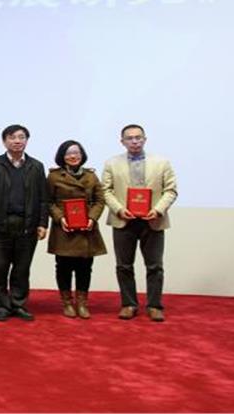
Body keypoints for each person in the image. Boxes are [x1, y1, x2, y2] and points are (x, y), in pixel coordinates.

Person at [101, 124, 177, 322]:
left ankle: (154, 305)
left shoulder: (162, 163)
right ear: (122, 142)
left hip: (153, 220)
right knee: (124, 266)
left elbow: (171, 190)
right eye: (129, 138)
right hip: (123, 220)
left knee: (155, 266)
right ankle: (128, 304)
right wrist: (119, 209)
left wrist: (158, 210)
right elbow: (105, 191)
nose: (134, 141)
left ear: (144, 139)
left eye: (138, 137)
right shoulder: (111, 163)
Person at [0, 124, 48, 322]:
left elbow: (43, 198)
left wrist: (43, 223)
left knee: (22, 269)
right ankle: (0, 305)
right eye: (12, 137)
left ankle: (18, 304)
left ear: (27, 140)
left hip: (27, 225)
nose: (17, 141)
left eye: (21, 137)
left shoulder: (36, 166)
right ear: (4, 141)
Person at [46, 140, 106, 319]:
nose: (73, 156)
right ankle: (66, 302)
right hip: (64, 228)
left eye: (77, 153)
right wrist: (60, 218)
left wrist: (92, 218)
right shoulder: (54, 176)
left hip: (87, 228)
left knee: (85, 268)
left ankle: (82, 303)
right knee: (63, 267)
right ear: (62, 156)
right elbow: (48, 201)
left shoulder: (91, 176)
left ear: (82, 155)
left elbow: (99, 200)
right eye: (69, 153)